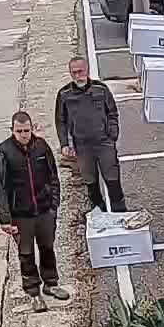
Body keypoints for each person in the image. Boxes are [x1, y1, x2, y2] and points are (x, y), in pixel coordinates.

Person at [0, 110, 71, 311]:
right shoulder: (3, 151)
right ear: (12, 130)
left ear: (32, 128)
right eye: (19, 131)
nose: (23, 134)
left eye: (26, 130)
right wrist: (5, 219)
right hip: (21, 215)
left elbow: (53, 176)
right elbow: (2, 187)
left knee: (47, 249)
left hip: (45, 211)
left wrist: (54, 204)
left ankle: (51, 284)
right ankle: (34, 293)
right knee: (26, 254)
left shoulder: (42, 147)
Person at [56, 56, 123, 212]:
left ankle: (120, 214)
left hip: (104, 144)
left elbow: (112, 112)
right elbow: (61, 121)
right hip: (82, 148)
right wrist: (65, 144)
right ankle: (100, 215)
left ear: (87, 70)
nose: (78, 75)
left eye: (80, 71)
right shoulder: (64, 95)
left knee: (113, 182)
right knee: (90, 185)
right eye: (74, 73)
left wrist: (112, 134)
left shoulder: (101, 89)